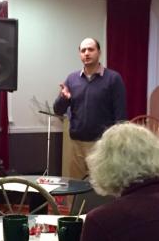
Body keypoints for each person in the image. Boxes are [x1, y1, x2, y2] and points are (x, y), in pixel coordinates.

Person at [53, 37, 127, 179]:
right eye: (83, 50)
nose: (86, 53)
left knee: (102, 186)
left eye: (91, 49)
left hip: (102, 145)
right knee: (75, 186)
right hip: (76, 145)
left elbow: (121, 115)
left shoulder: (113, 79)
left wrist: (119, 144)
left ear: (99, 52)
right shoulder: (72, 79)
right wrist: (64, 98)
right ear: (80, 54)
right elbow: (58, 110)